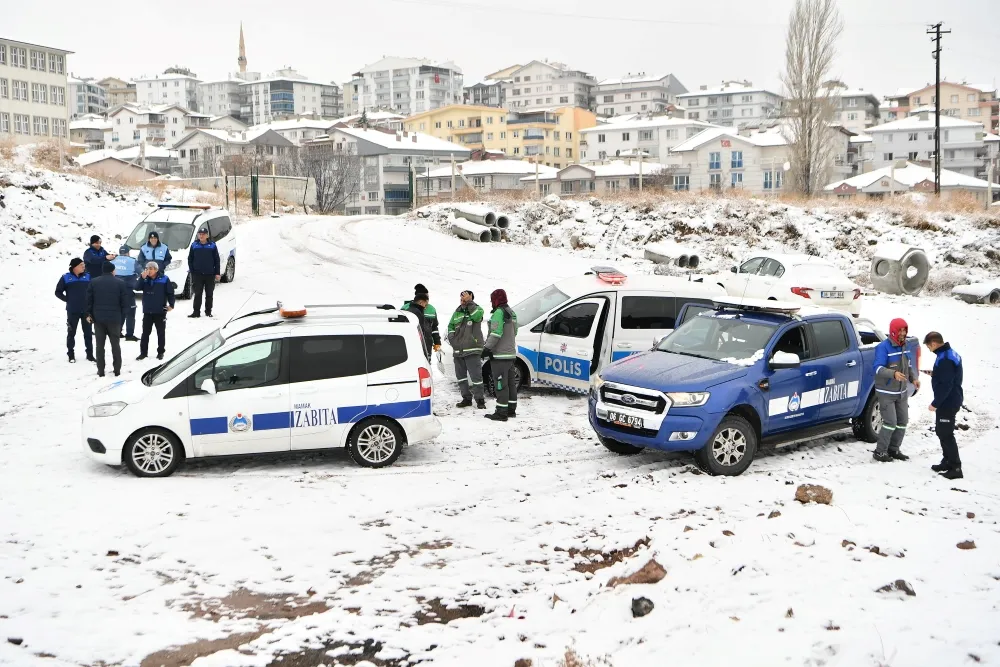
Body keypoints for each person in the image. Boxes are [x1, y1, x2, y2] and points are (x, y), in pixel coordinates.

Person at [871, 317, 920, 462]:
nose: (903, 333)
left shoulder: (906, 346)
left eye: (905, 330)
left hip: (901, 393)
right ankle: (880, 452)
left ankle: (894, 449)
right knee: (890, 423)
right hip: (886, 393)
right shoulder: (883, 347)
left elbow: (908, 366)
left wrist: (913, 379)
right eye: (900, 330)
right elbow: (878, 368)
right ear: (893, 331)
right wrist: (893, 374)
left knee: (902, 421)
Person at [924, 331, 964, 479]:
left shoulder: (946, 358)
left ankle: (955, 467)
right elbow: (949, 375)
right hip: (950, 399)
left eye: (929, 346)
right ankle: (946, 461)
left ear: (934, 343)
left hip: (948, 401)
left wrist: (935, 403)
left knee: (946, 434)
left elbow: (947, 385)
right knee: (941, 431)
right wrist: (935, 374)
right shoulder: (948, 354)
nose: (929, 349)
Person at [86, 261, 132, 377]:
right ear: (112, 271)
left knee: (99, 346)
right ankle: (117, 370)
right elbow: (125, 303)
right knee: (115, 345)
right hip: (115, 319)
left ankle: (100, 371)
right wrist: (122, 318)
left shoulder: (94, 282)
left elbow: (88, 301)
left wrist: (89, 314)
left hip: (98, 319)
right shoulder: (120, 283)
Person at [483, 288, 519, 422]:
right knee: (510, 384)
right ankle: (511, 409)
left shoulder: (498, 313)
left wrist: (486, 348)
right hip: (510, 354)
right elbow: (514, 332)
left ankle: (501, 412)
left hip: (500, 356)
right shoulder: (512, 312)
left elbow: (495, 334)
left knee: (500, 384)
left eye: (492, 300)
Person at [447, 290, 486, 409]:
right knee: (461, 377)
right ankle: (466, 398)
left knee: (476, 377)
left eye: (465, 299)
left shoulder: (477, 309)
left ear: (471, 299)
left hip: (473, 349)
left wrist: (470, 303)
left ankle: (480, 400)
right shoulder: (457, 312)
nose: (462, 301)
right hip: (458, 351)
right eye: (461, 299)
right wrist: (453, 341)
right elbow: (450, 327)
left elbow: (477, 317)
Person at [55, 257, 94, 363]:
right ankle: (71, 354)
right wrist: (68, 300)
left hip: (86, 312)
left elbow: (93, 291)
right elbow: (58, 292)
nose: (83, 267)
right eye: (81, 265)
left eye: (84, 265)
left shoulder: (88, 276)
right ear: (74, 267)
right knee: (71, 333)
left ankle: (90, 355)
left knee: (88, 333)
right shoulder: (66, 278)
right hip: (72, 311)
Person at [136, 261, 176, 361]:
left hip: (160, 311)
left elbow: (170, 293)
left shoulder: (164, 279)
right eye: (147, 268)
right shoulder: (144, 279)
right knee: (145, 333)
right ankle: (143, 353)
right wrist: (142, 278)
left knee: (160, 333)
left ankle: (161, 352)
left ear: (156, 270)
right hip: (148, 311)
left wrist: (171, 305)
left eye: (151, 269)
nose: (148, 271)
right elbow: (136, 288)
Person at [187, 227, 220, 318]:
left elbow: (217, 260)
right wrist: (192, 270)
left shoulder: (212, 245)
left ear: (207, 235)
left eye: (203, 234)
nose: (201, 236)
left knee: (209, 294)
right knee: (197, 294)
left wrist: (217, 273)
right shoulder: (194, 245)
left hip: (209, 274)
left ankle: (208, 311)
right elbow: (190, 259)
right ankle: (196, 312)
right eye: (200, 234)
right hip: (197, 275)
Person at [403, 283, 441, 356]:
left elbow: (434, 327)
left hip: (427, 344)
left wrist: (437, 342)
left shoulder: (432, 309)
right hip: (411, 344)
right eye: (426, 296)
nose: (428, 299)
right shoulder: (406, 308)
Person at [113, 247, 140, 342]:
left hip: (115, 290)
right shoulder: (132, 261)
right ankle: (129, 334)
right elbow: (140, 272)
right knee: (131, 312)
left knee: (119, 312)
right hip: (127, 290)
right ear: (128, 253)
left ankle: (118, 332)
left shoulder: (113, 260)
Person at [403, 293, 434, 361]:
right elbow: (420, 333)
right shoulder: (417, 313)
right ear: (421, 302)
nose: (425, 307)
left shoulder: (408, 310)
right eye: (425, 305)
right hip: (416, 349)